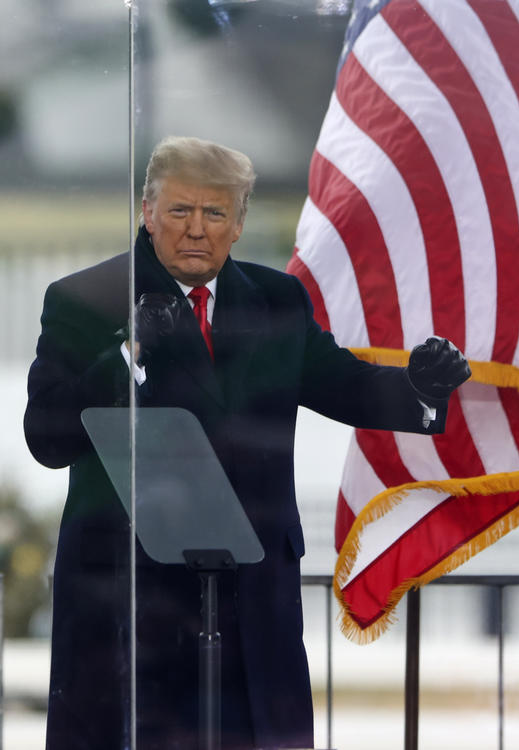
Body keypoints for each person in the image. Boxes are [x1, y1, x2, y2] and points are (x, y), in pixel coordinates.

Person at [23, 135, 470, 750]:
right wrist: (127, 356)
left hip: (251, 595)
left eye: (215, 213)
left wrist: (419, 388)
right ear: (147, 212)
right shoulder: (87, 300)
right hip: (131, 606)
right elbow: (45, 436)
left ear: (239, 224)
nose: (196, 229)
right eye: (180, 211)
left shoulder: (277, 300)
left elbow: (341, 384)